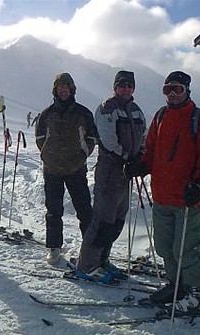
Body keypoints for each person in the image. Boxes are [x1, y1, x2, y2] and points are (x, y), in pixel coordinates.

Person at [124, 71, 200, 310]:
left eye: (177, 89)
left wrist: (199, 185)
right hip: (162, 195)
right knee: (165, 247)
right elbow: (151, 150)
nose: (173, 94)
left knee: (186, 250)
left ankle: (197, 294)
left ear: (187, 91)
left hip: (188, 199)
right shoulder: (161, 116)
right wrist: (141, 165)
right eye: (168, 90)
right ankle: (177, 286)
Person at [75, 70, 147, 284]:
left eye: (129, 85)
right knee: (102, 220)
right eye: (121, 85)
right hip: (110, 170)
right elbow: (108, 140)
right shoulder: (108, 108)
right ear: (115, 87)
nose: (125, 88)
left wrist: (140, 156)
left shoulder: (136, 110)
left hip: (126, 173)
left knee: (117, 220)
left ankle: (102, 259)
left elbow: (143, 135)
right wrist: (128, 158)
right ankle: (87, 266)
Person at [35, 73, 97, 264]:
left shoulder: (83, 113)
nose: (63, 90)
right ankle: (54, 247)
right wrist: (47, 153)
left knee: (84, 209)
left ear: (72, 90)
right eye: (60, 87)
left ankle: (89, 249)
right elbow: (39, 138)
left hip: (76, 168)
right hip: (52, 169)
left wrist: (83, 153)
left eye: (67, 87)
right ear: (55, 90)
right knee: (53, 210)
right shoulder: (46, 114)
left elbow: (92, 138)